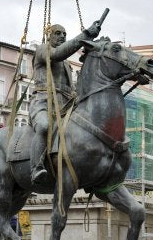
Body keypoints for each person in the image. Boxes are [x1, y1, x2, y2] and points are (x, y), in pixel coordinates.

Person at [29, 21, 101, 183]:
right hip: (43, 103)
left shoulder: (67, 65)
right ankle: (36, 167)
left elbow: (72, 90)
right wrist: (86, 35)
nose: (62, 36)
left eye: (64, 34)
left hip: (66, 106)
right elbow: (58, 54)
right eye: (58, 33)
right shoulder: (43, 50)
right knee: (44, 126)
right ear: (48, 36)